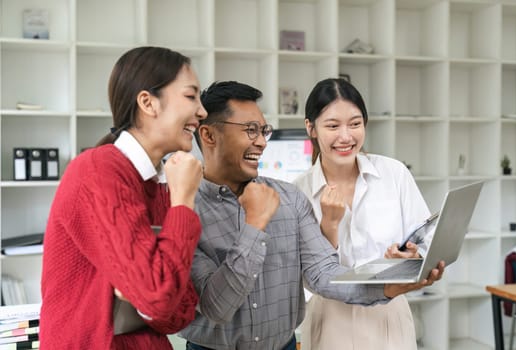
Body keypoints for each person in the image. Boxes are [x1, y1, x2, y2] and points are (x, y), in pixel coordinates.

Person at [178, 80, 444, 350]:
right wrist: (255, 223)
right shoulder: (183, 208)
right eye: (250, 130)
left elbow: (323, 272)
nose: (261, 142)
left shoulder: (289, 198)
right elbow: (216, 306)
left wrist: (390, 287)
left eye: (263, 130)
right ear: (209, 136)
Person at [39, 46, 207, 349]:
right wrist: (183, 202)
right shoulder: (98, 171)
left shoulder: (157, 184)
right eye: (191, 96)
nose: (202, 111)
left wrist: (147, 295)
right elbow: (160, 294)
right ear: (148, 102)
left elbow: (181, 311)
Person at [293, 77, 436, 349]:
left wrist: (410, 257)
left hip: (389, 316)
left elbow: (426, 241)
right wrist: (329, 226)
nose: (346, 136)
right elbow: (309, 278)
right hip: (330, 322)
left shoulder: (393, 174)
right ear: (311, 128)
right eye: (333, 126)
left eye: (355, 124)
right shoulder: (297, 192)